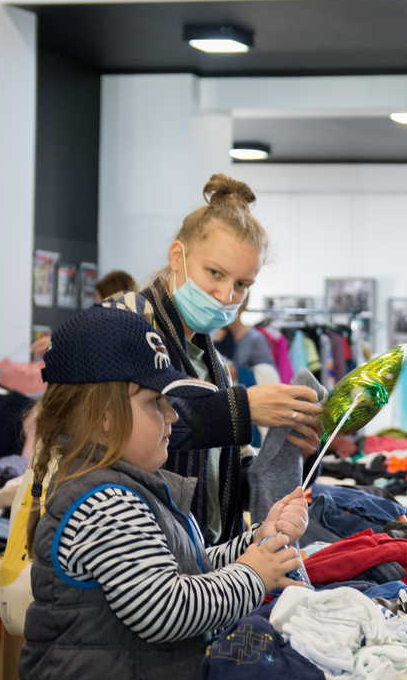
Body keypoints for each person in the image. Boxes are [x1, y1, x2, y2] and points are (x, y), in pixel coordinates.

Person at [17, 307, 309, 680]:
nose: (174, 416)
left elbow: (182, 566)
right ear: (105, 415)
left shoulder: (133, 489)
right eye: (156, 403)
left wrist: (257, 542)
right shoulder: (105, 501)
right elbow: (164, 608)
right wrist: (254, 575)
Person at [101, 173, 322, 544]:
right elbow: (117, 427)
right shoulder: (123, 320)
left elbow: (226, 468)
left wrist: (290, 453)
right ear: (178, 256)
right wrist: (242, 408)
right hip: (137, 548)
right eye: (215, 273)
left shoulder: (210, 358)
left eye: (242, 285)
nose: (225, 295)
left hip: (204, 556)